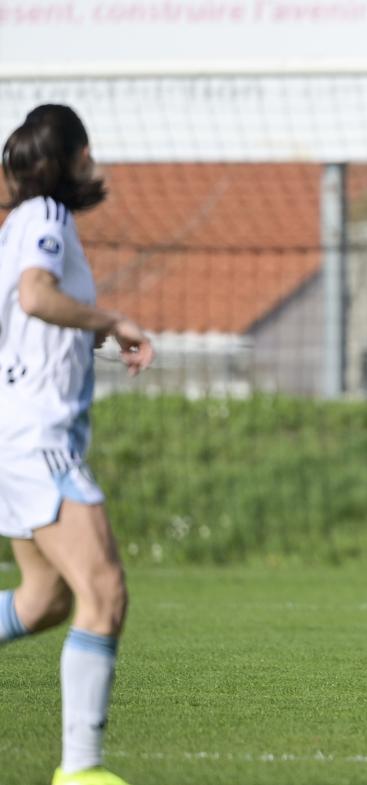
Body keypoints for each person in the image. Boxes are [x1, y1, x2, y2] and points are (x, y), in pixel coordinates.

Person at [0, 105, 154, 785]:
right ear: (71, 158)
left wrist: (92, 331)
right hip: (41, 440)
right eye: (87, 152)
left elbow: (31, 315)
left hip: (16, 435)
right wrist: (113, 316)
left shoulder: (19, 227)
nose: (94, 163)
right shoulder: (48, 220)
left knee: (44, 598)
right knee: (105, 591)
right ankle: (81, 771)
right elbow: (35, 298)